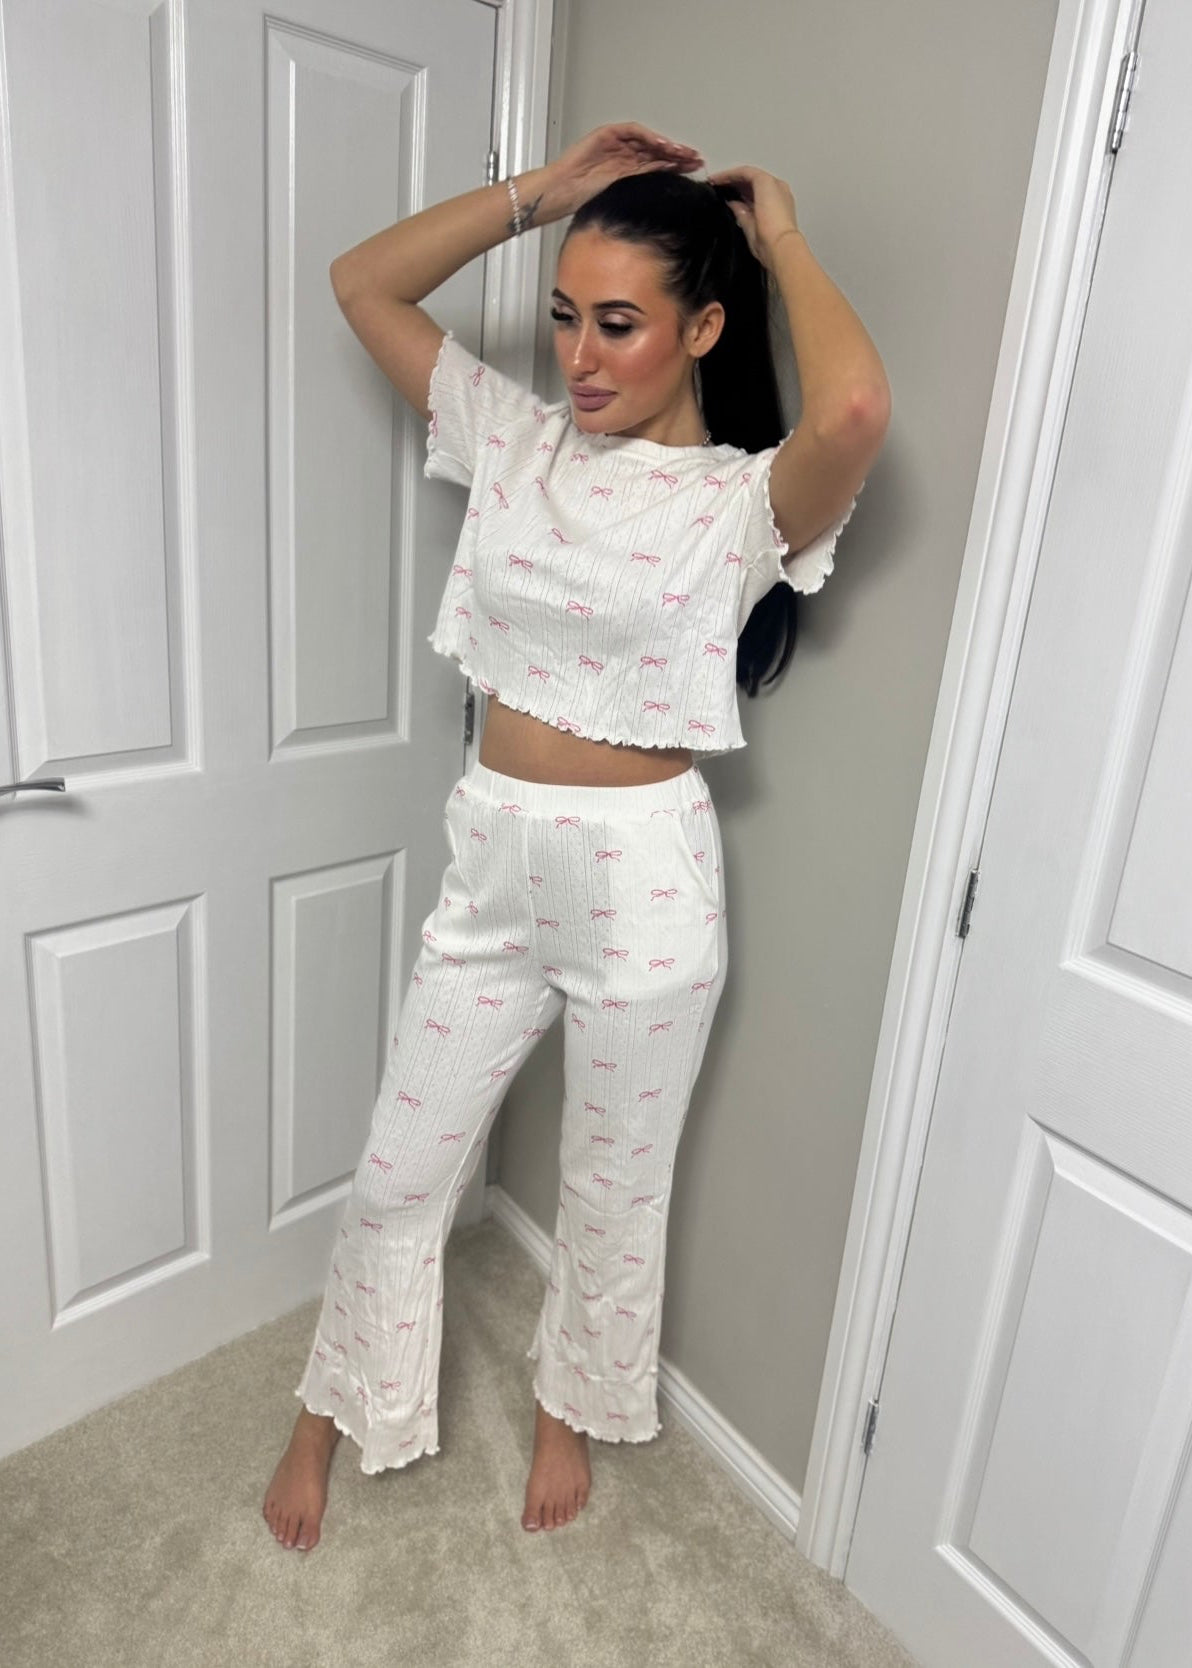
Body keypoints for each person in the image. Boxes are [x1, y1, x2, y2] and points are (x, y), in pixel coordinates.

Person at [263, 122, 889, 1552]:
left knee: (614, 1188)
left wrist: (780, 236)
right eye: (564, 319)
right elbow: (362, 283)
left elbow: (855, 409)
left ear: (703, 329)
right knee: (397, 1172)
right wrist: (544, 193)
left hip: (643, 884)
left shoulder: (738, 502)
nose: (579, 358)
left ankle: (568, 1406)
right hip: (495, 859)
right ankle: (328, 1407)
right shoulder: (514, 441)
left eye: (618, 324)